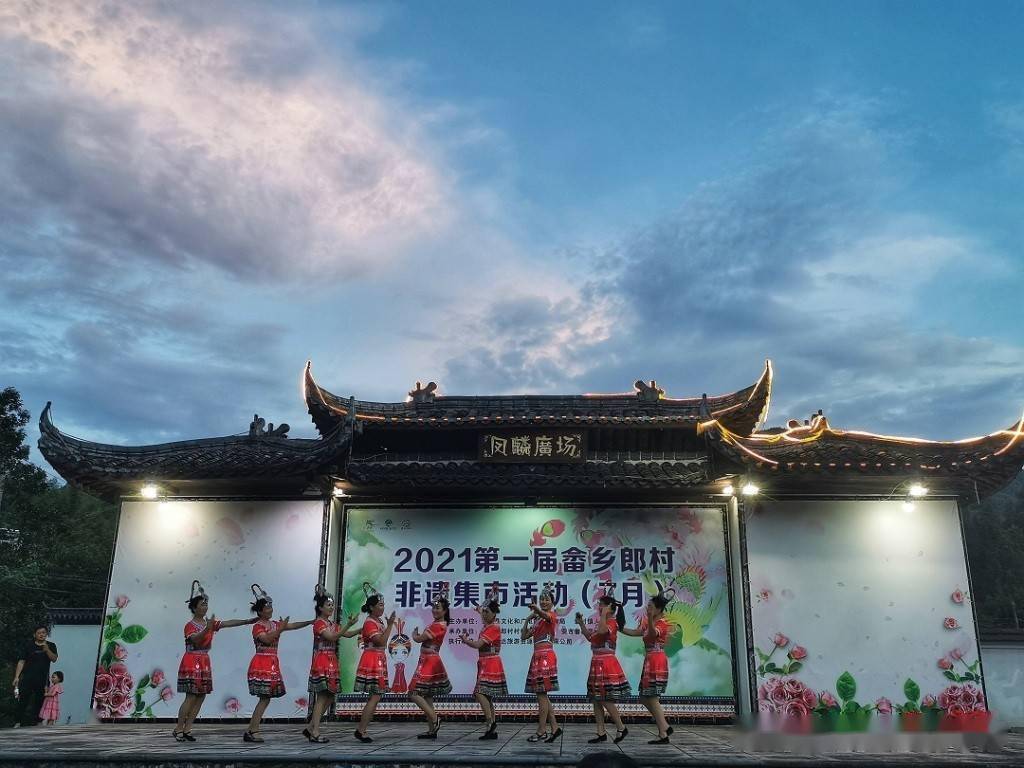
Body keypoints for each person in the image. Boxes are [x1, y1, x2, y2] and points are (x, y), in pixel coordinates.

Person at [173, 580, 255, 742]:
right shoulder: (190, 625)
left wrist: (246, 621)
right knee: (191, 696)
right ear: (194, 607)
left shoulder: (208, 623)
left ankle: (188, 728)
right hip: (192, 659)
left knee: (201, 695)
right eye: (202, 604)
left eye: (206, 604)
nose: (205, 607)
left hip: (204, 660)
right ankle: (178, 728)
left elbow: (227, 623)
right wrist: (207, 628)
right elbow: (195, 640)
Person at [243, 584, 314, 743]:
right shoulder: (258, 626)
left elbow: (293, 625)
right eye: (267, 608)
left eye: (271, 607)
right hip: (262, 662)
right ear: (260, 611)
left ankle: (252, 730)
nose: (270, 610)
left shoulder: (274, 624)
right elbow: (267, 639)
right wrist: (280, 629)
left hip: (271, 663)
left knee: (265, 699)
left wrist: (309, 621)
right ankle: (252, 730)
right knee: (264, 698)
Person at [576, 586, 631, 744]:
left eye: (601, 605)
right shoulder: (605, 621)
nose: (598, 607)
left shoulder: (612, 623)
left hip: (606, 663)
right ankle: (601, 732)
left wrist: (605, 615)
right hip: (597, 662)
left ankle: (621, 727)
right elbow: (592, 638)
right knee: (596, 699)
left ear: (609, 607)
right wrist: (581, 624)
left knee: (606, 698)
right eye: (599, 605)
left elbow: (600, 632)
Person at [304, 584, 356, 743]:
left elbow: (346, 634)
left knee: (330, 695)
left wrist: (361, 630)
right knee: (322, 697)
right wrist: (348, 624)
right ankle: (315, 731)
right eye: (328, 605)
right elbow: (332, 637)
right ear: (320, 608)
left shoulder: (331, 623)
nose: (331, 607)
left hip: (331, 661)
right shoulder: (319, 623)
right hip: (322, 660)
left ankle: (311, 727)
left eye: (332, 604)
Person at [621, 589, 675, 744]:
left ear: (658, 609)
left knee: (650, 697)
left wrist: (650, 619)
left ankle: (664, 728)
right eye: (648, 606)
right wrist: (620, 628)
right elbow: (635, 632)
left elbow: (652, 634)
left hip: (657, 660)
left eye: (650, 606)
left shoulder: (662, 624)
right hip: (650, 659)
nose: (647, 609)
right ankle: (663, 733)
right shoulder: (650, 622)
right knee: (646, 698)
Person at [350, 582, 396, 743]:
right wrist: (390, 625)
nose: (382, 607)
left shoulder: (377, 621)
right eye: (379, 605)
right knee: (375, 696)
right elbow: (381, 641)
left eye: (383, 604)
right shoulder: (370, 622)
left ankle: (362, 730)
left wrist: (388, 624)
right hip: (372, 660)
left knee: (375, 696)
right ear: (371, 607)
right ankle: (361, 730)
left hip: (378, 659)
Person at [459, 587, 507, 740]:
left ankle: (490, 722)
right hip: (486, 662)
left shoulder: (493, 628)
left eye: (487, 612)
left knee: (480, 692)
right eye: (483, 612)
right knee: (486, 695)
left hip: (490, 663)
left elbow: (478, 645)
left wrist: (466, 640)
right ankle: (491, 727)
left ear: (494, 614)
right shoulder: (489, 625)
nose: (484, 614)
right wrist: (482, 607)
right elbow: (482, 610)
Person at [408, 588, 452, 739]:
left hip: (429, 661)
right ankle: (432, 729)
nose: (434, 610)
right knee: (427, 695)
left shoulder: (439, 625)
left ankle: (435, 718)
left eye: (437, 607)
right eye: (433, 607)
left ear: (445, 610)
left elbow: (420, 638)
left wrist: (414, 634)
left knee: (413, 692)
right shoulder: (438, 624)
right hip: (428, 659)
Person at [522, 583, 561, 743]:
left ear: (552, 602)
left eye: (547, 599)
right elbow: (524, 636)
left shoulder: (551, 616)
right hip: (537, 656)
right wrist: (527, 619)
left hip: (545, 657)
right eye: (542, 599)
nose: (544, 601)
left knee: (541, 695)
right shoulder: (538, 621)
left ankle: (541, 731)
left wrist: (536, 610)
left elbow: (546, 616)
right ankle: (555, 728)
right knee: (542, 695)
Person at [12, 624, 58, 727]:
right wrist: (16, 677)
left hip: (43, 678)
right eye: (39, 633)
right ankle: (17, 721)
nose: (42, 635)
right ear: (34, 635)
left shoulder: (51, 645)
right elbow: (21, 661)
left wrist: (47, 650)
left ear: (46, 634)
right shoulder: (28, 645)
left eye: (44, 633)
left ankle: (38, 722)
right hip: (28, 677)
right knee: (23, 699)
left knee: (40, 701)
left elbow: (54, 659)